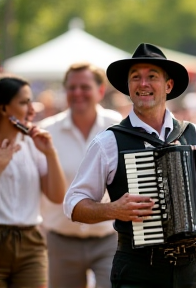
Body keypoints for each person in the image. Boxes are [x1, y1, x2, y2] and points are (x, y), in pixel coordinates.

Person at [64, 43, 196, 288]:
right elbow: (73, 204)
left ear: (168, 85)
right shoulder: (109, 141)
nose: (143, 84)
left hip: (189, 271)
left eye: (152, 77)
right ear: (128, 87)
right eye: (135, 78)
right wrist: (113, 209)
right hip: (137, 269)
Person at [39, 62, 122, 288]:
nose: (77, 93)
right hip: (60, 240)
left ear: (100, 91)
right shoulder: (47, 131)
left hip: (109, 239)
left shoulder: (118, 127)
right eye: (72, 87)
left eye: (84, 87)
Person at [0, 76, 66, 287]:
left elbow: (57, 197)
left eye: (31, 101)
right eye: (23, 102)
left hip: (31, 244)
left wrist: (50, 153)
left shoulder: (32, 144)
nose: (32, 109)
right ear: (3, 108)